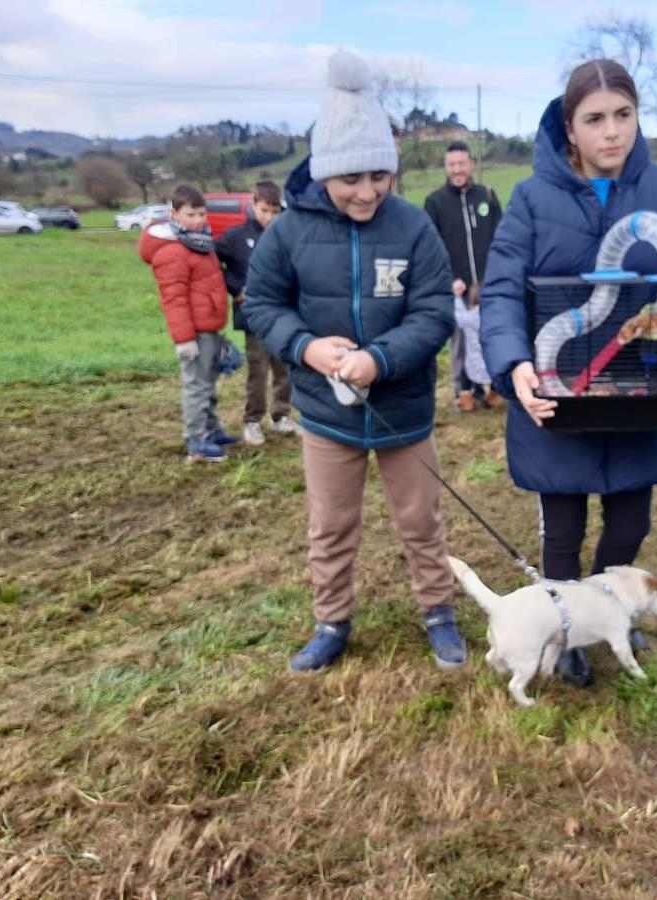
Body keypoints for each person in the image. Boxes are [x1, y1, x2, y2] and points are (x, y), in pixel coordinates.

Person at [480, 59, 657, 687]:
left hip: (642, 392)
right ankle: (564, 630)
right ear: (569, 127)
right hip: (560, 393)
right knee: (563, 530)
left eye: (623, 115)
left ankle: (603, 609)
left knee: (631, 521)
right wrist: (513, 363)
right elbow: (501, 289)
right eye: (594, 119)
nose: (611, 131)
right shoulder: (531, 199)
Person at [244, 50, 461, 673]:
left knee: (420, 520)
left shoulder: (413, 227)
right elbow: (261, 303)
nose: (367, 192)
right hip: (326, 412)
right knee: (331, 525)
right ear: (324, 172)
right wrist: (305, 347)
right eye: (350, 179)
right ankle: (331, 622)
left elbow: (433, 313)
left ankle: (439, 613)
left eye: (379, 176)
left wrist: (381, 359)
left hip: (403, 409)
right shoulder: (288, 232)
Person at [140, 184, 238, 463]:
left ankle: (211, 429)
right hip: (194, 333)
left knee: (208, 382)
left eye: (201, 214)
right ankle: (196, 440)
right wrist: (184, 339)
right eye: (190, 215)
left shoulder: (200, 243)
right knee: (197, 385)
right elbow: (174, 300)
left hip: (210, 327)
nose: (197, 220)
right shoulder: (172, 252)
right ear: (174, 214)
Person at [216, 181, 298, 445]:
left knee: (284, 368)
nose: (270, 217)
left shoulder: (287, 236)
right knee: (258, 371)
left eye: (275, 211)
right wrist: (234, 288)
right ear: (253, 205)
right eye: (265, 210)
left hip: (284, 315)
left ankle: (281, 415)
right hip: (254, 317)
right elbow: (212, 262)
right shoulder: (235, 236)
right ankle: (252, 421)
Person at [424, 140, 503, 411]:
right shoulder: (435, 202)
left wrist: (496, 275)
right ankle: (463, 390)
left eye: (462, 163)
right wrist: (449, 279)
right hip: (457, 287)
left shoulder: (487, 196)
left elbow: (501, 239)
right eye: (452, 164)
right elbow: (431, 248)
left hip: (487, 285)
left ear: (471, 164)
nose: (457, 169)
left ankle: (493, 387)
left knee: (491, 336)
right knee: (460, 341)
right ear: (446, 167)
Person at [452, 283, 498, 407]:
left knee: (464, 372)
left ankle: (466, 400)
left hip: (473, 362)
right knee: (497, 375)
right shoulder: (495, 317)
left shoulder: (469, 317)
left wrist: (457, 297)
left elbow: (459, 315)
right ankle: (493, 397)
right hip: (492, 362)